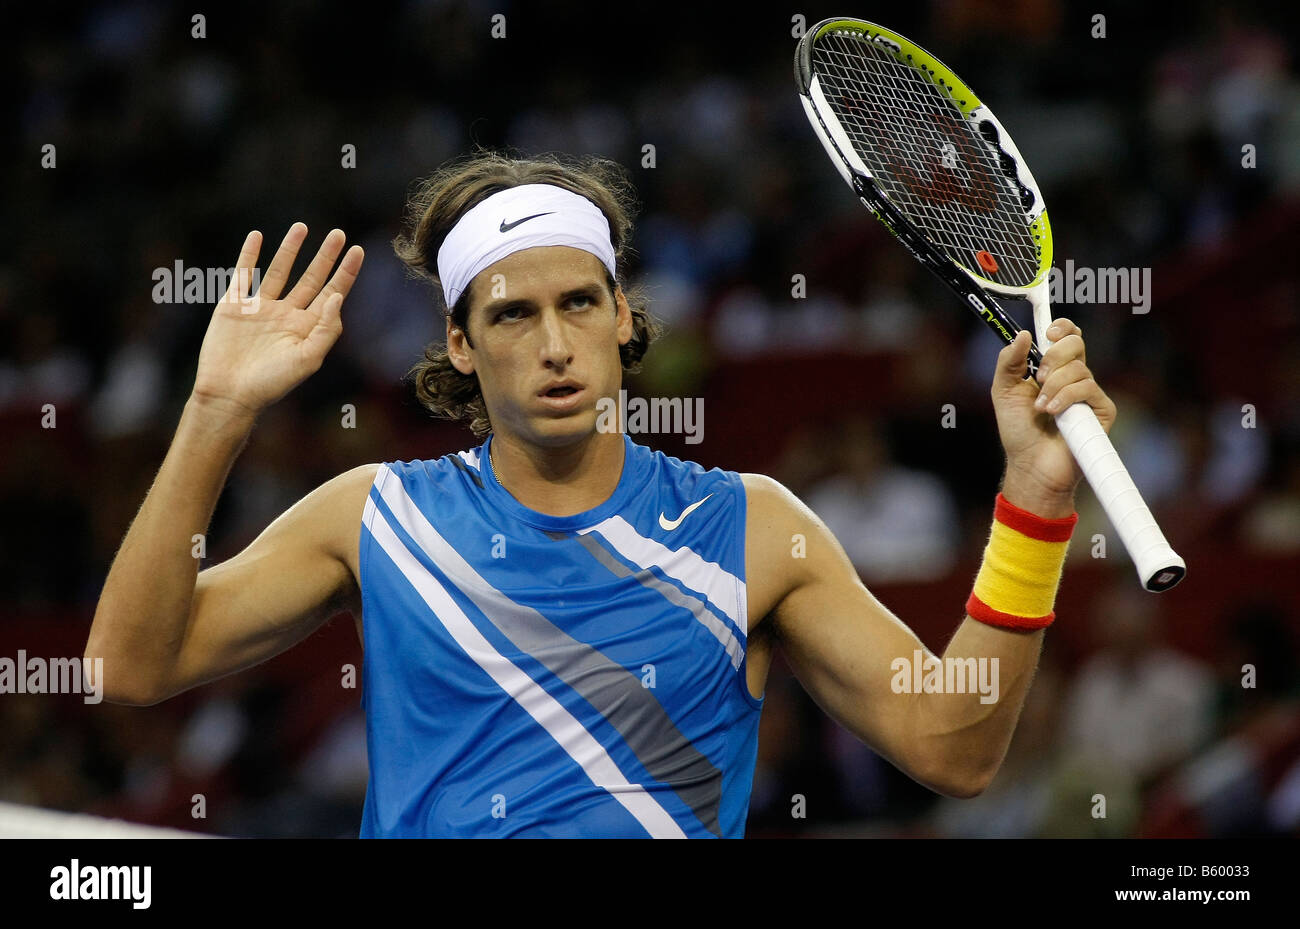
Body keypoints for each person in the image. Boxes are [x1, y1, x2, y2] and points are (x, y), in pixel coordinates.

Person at [85, 151, 1116, 838]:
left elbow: (956, 744)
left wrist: (1032, 496)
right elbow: (128, 666)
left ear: (625, 315)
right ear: (458, 341)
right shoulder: (374, 515)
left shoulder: (752, 528)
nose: (551, 344)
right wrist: (218, 407)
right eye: (509, 313)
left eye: (579, 301)